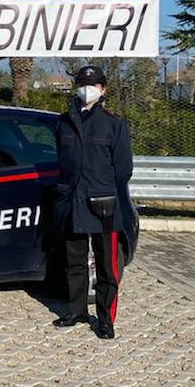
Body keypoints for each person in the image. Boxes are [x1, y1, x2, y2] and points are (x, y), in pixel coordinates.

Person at [52, 65, 133, 339]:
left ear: (103, 89)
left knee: (107, 266)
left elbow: (123, 170)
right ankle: (76, 310)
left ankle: (106, 319)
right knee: (73, 261)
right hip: (71, 201)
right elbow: (61, 161)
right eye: (83, 84)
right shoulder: (63, 122)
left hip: (103, 204)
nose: (87, 89)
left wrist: (103, 187)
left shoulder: (113, 124)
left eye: (94, 85)